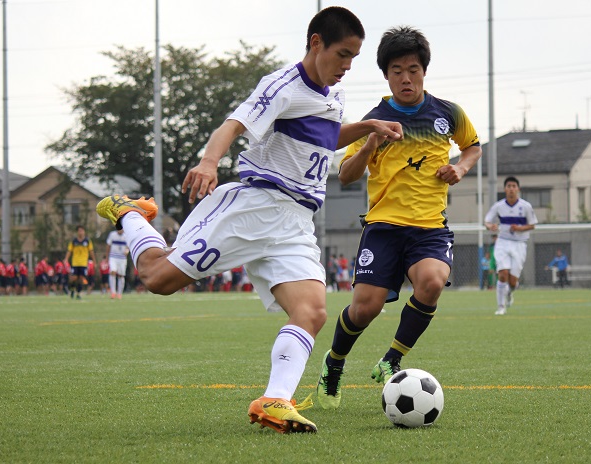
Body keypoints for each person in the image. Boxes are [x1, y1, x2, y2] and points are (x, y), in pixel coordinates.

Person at [95, 6, 403, 434]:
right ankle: (131, 212)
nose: (347, 66)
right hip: (254, 208)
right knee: (156, 278)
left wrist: (368, 127)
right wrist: (209, 161)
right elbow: (234, 125)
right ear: (316, 43)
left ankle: (275, 400)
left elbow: (324, 136)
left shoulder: (334, 95)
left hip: (296, 223)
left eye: (354, 57)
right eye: (343, 54)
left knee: (312, 311)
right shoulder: (281, 85)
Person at [315, 26, 482, 409]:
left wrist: (460, 167)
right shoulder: (375, 119)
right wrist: (369, 144)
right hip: (384, 228)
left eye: (413, 70)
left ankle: (392, 359)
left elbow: (472, 147)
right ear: (386, 75)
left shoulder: (448, 113)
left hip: (429, 228)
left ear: (424, 71)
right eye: (397, 71)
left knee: (432, 282)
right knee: (366, 308)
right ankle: (334, 362)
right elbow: (346, 175)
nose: (406, 78)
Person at [484, 176, 537, 315]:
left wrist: (519, 228)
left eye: (514, 186)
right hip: (502, 242)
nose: (511, 189)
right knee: (502, 274)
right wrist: (490, 226)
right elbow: (487, 221)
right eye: (509, 186)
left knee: (513, 282)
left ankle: (510, 292)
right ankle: (501, 307)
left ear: (518, 189)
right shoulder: (499, 206)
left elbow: (532, 225)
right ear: (505, 189)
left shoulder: (525, 206)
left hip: (519, 244)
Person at [64, 225, 97, 300]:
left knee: (81, 278)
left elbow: (91, 251)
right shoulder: (74, 241)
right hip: (75, 262)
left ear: (84, 232)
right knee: (74, 278)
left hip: (83, 263)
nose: (81, 232)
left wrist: (94, 261)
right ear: (77, 232)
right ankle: (72, 289)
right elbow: (69, 251)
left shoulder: (87, 241)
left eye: (82, 231)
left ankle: (78, 293)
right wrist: (66, 259)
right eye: (79, 231)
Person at [106, 229, 129, 299]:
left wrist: (127, 251)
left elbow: (128, 247)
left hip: (122, 258)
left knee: (121, 275)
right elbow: (108, 245)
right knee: (112, 272)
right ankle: (113, 292)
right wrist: (107, 257)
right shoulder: (112, 235)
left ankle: (119, 293)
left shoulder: (126, 236)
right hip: (113, 257)